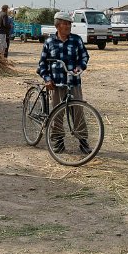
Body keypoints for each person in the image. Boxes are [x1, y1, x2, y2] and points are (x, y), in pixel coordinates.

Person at [37, 11, 91, 153]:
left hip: (73, 82)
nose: (68, 26)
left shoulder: (76, 40)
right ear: (57, 25)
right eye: (65, 23)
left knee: (78, 112)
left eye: (69, 24)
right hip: (56, 84)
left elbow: (84, 56)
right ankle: (58, 141)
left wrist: (80, 67)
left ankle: (83, 141)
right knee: (57, 113)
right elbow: (42, 64)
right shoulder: (49, 42)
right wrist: (47, 79)